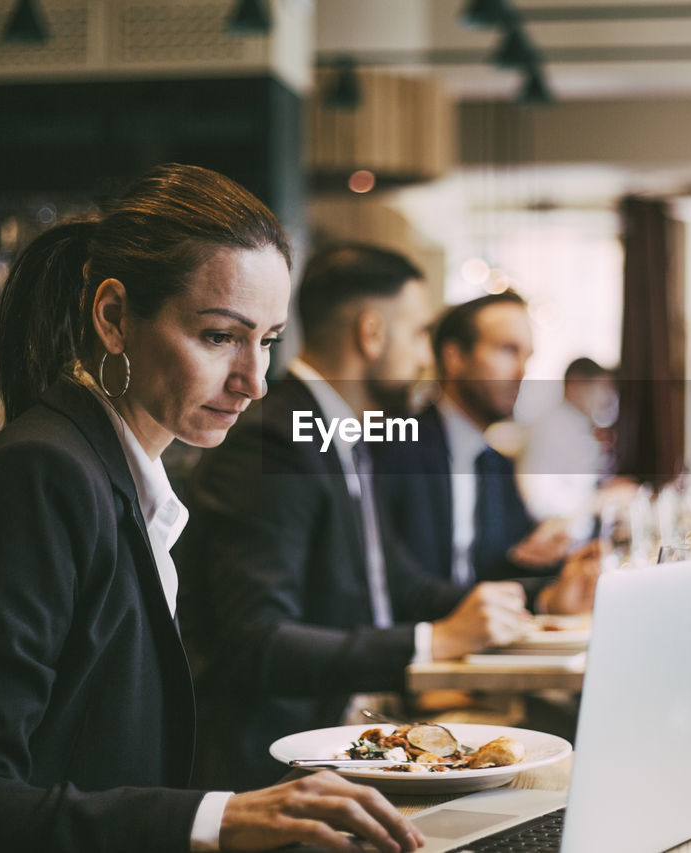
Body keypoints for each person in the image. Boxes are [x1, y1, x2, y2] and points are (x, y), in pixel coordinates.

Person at [0, 166, 422, 853]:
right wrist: (220, 818)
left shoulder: (110, 470)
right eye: (218, 336)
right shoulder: (42, 476)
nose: (253, 380)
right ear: (114, 317)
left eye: (266, 340)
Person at [176, 245, 592, 793]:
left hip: (363, 736)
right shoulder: (271, 441)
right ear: (371, 334)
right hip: (287, 768)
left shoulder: (347, 431)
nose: (428, 356)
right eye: (420, 333)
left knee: (551, 772)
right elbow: (259, 643)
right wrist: (431, 642)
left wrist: (537, 599)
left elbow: (398, 584)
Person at [373, 292, 576, 586]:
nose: (522, 372)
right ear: (454, 357)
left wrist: (546, 559)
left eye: (527, 357)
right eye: (508, 350)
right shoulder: (395, 446)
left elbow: (495, 570)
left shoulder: (496, 464)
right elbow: (396, 585)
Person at [517, 357, 617, 542]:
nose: (605, 397)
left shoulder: (579, 425)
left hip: (582, 538)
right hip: (558, 545)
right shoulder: (548, 428)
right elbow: (538, 501)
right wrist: (599, 501)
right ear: (575, 385)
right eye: (600, 388)